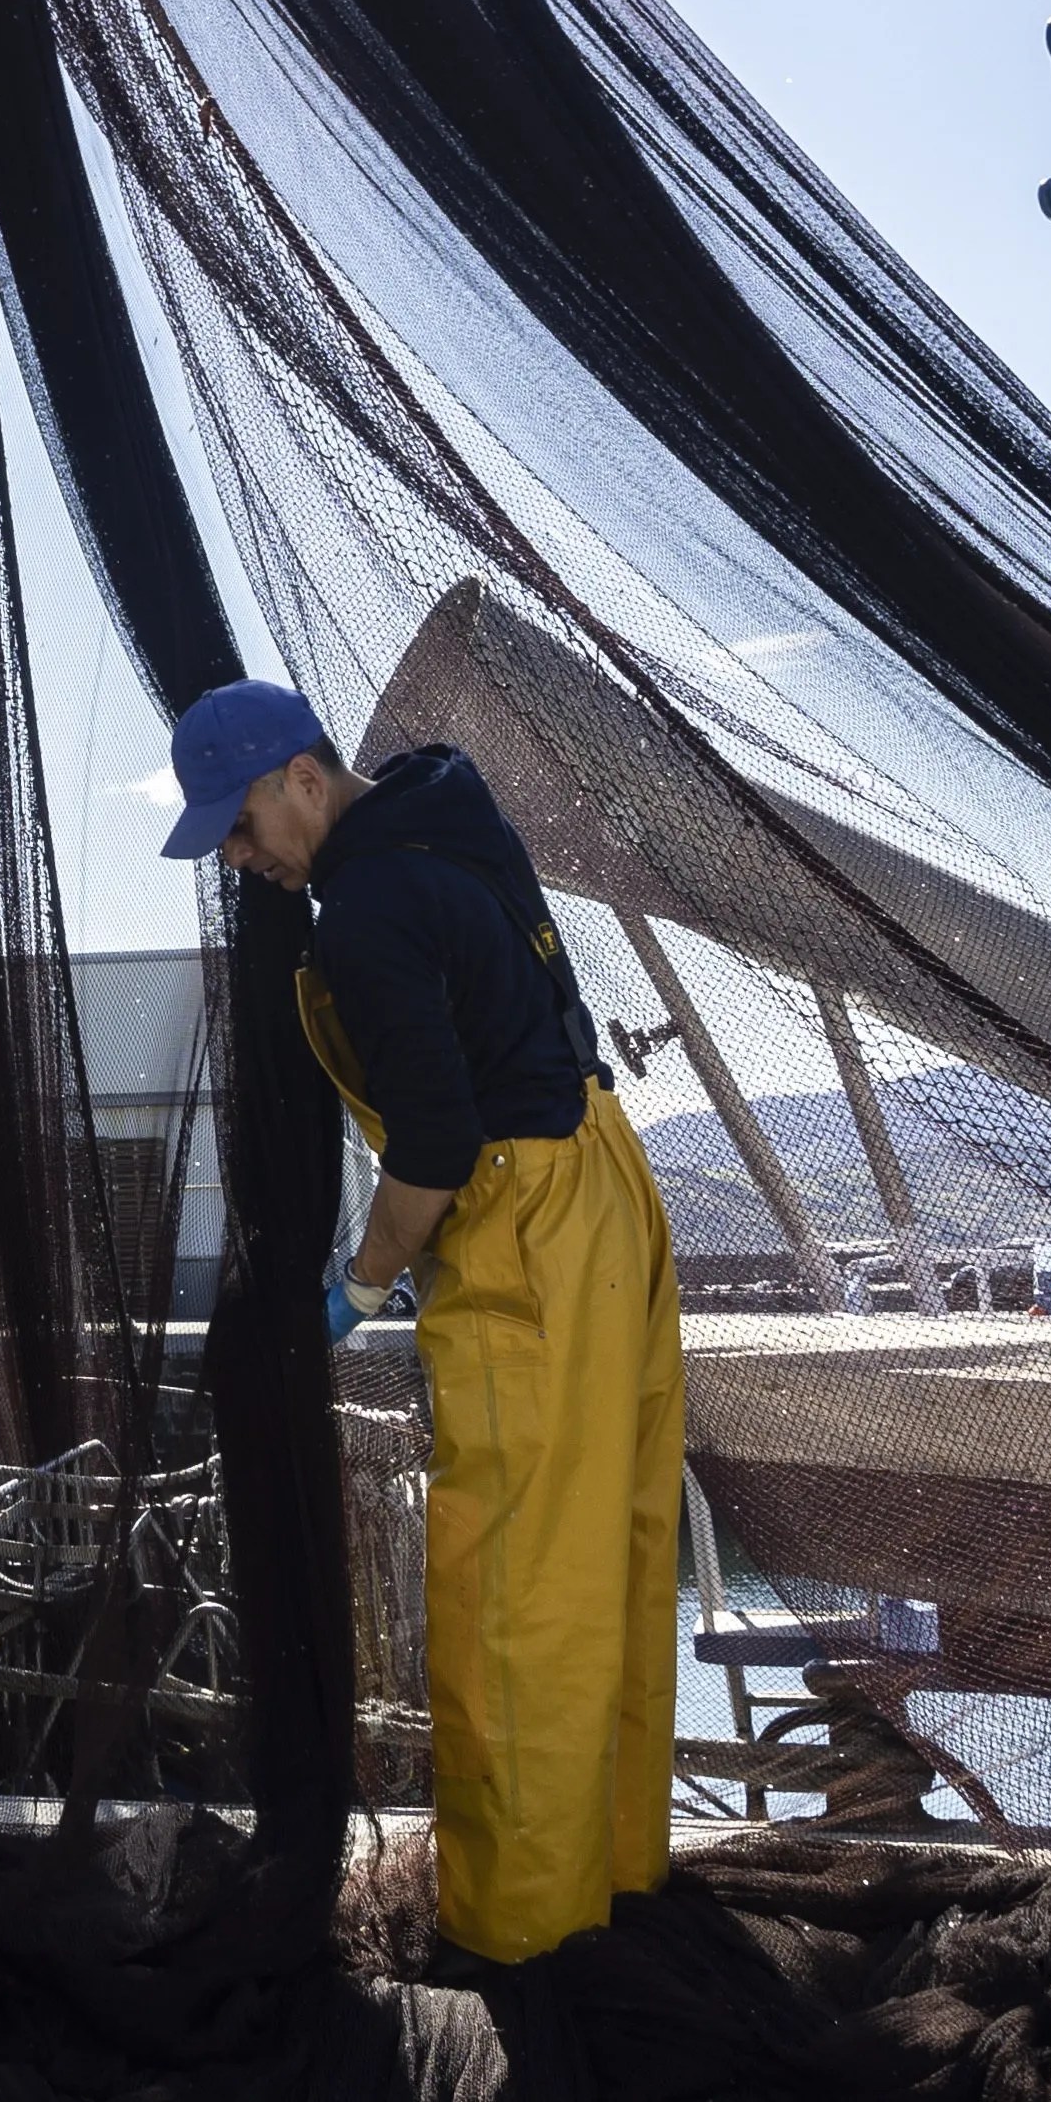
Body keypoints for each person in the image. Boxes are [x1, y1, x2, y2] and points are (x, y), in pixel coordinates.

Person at [167, 678, 679, 1964]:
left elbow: (437, 1147)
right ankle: (609, 1879)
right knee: (605, 1562)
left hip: (522, 1219)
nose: (239, 863)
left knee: (509, 1595)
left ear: (297, 778)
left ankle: (516, 1934)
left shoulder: (368, 914)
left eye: (236, 829)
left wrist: (359, 1284)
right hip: (609, 1184)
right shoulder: (445, 810)